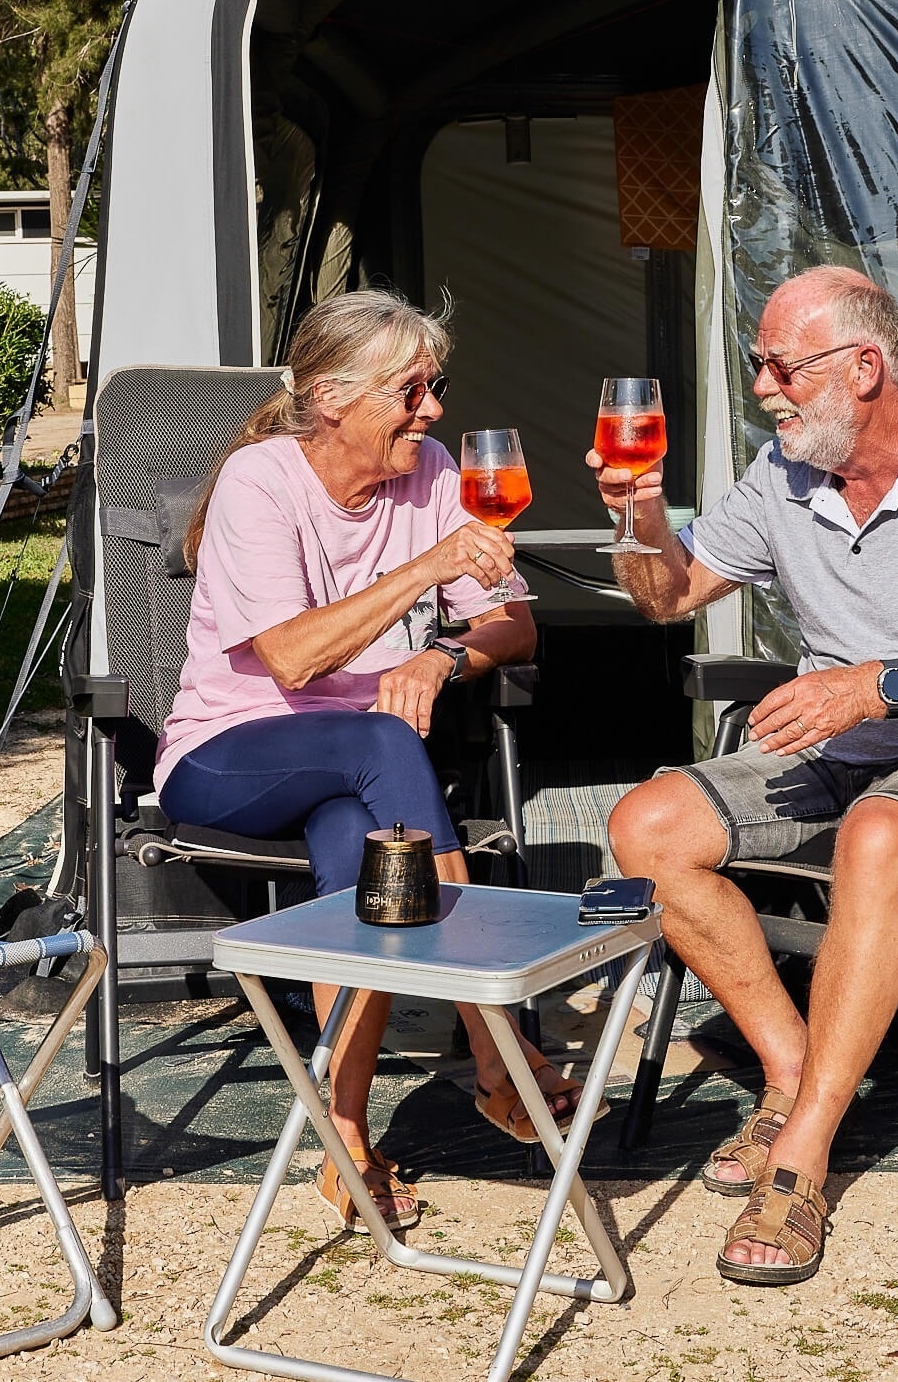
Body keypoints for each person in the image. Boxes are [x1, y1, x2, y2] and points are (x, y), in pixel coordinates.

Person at [589, 267, 898, 1288]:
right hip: (842, 738)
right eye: (758, 362)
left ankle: (804, 1150)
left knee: (876, 834)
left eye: (782, 363)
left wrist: (873, 686)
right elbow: (668, 594)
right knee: (645, 825)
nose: (764, 384)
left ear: (863, 367)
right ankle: (789, 1069)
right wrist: (635, 512)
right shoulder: (787, 469)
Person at [155, 289, 586, 1232]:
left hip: (366, 775)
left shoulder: (433, 471)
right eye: (411, 391)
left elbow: (512, 625)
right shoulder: (260, 481)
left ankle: (342, 1134)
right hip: (227, 755)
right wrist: (427, 573)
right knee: (379, 742)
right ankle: (496, 1047)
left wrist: (440, 654)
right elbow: (294, 660)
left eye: (435, 387)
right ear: (333, 398)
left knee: (361, 848)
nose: (432, 410)